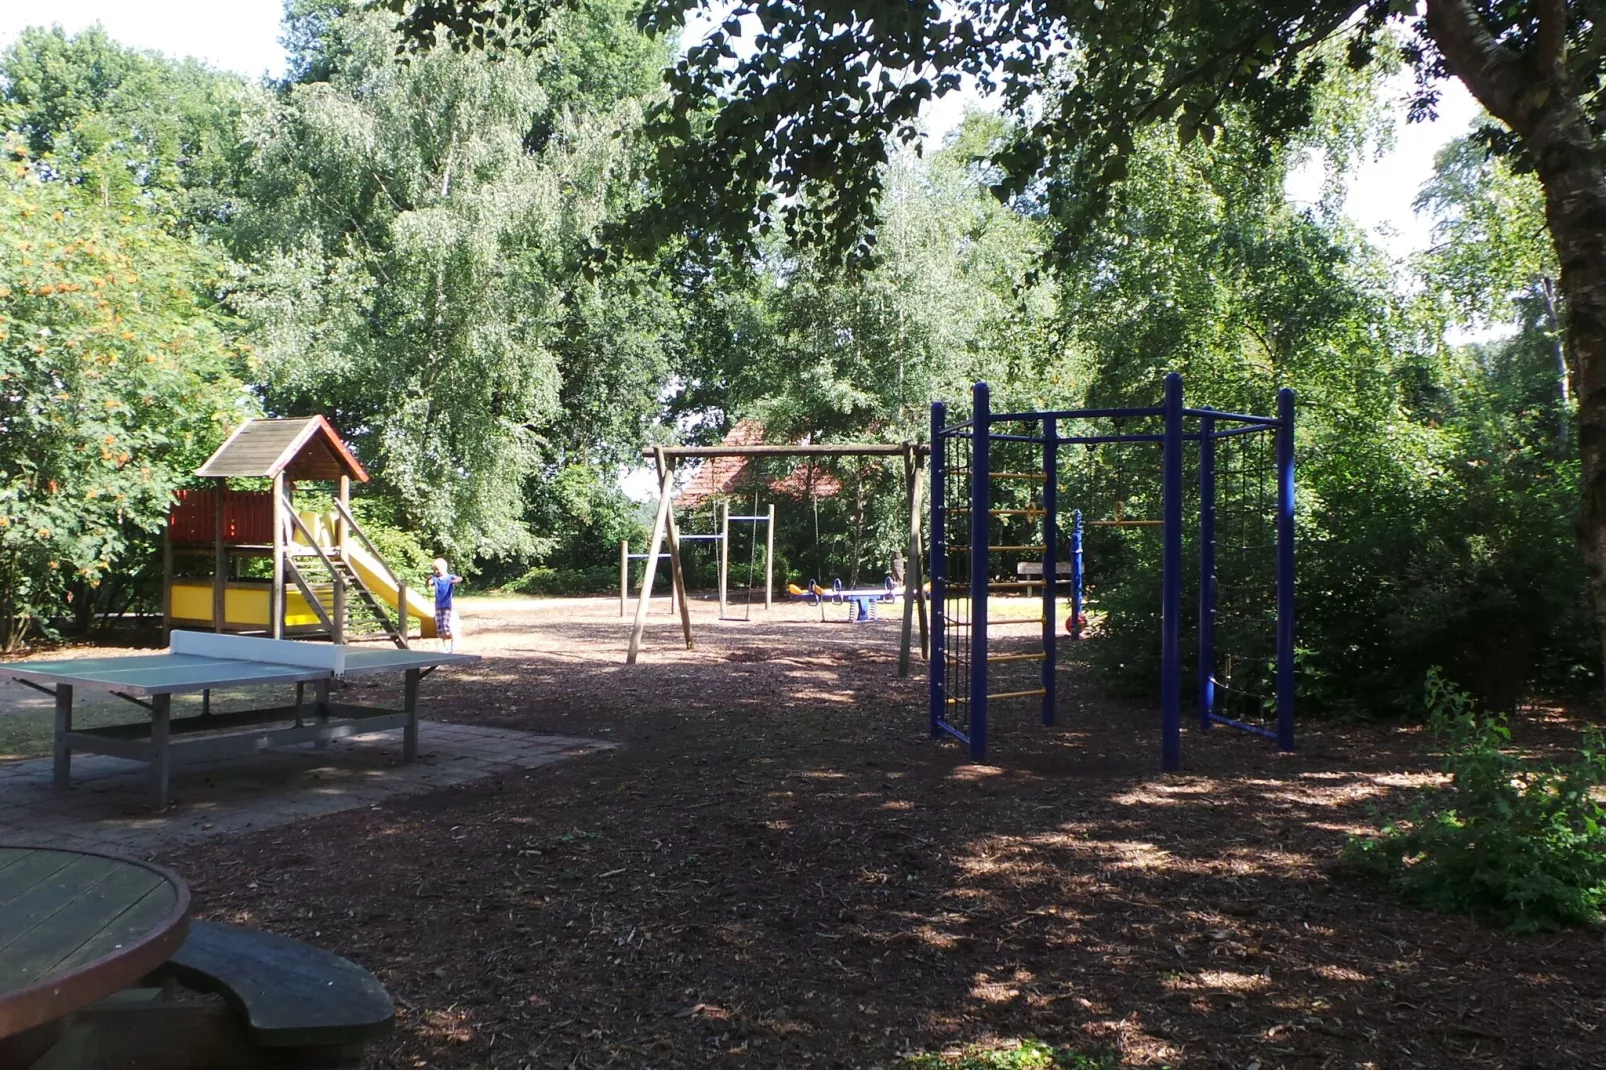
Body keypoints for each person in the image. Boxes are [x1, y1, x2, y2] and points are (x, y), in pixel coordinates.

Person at [428, 558, 463, 653]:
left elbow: (460, 578)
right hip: (438, 606)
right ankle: (445, 646)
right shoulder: (436, 579)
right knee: (440, 628)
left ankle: (453, 644)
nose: (436, 571)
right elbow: (429, 582)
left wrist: (455, 581)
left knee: (447, 626)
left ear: (444, 568)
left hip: (447, 605)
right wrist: (429, 579)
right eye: (435, 569)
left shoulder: (449, 577)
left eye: (438, 569)